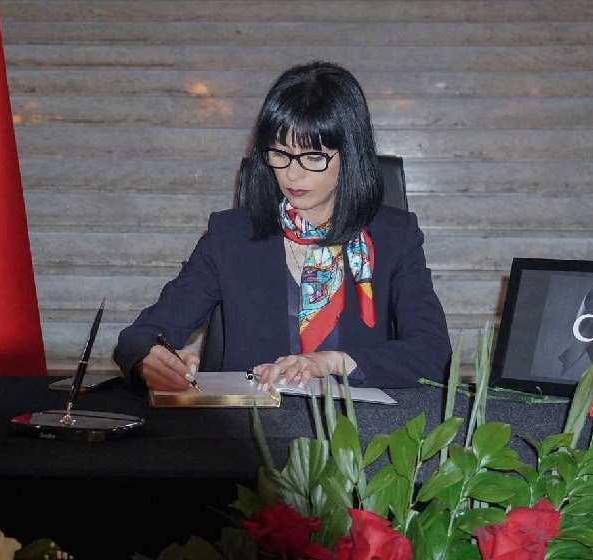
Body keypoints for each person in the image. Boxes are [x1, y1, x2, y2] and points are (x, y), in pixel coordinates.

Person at [113, 60, 451, 393]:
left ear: (350, 155)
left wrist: (334, 363)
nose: (292, 174)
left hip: (357, 424)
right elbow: (140, 337)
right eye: (280, 154)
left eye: (313, 157)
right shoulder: (230, 237)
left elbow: (432, 353)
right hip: (255, 422)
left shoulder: (394, 237)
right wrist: (151, 360)